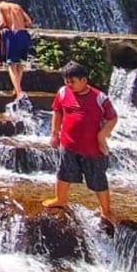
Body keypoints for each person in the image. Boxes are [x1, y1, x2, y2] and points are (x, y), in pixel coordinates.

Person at [42, 61, 118, 224]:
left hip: (92, 149)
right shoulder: (63, 93)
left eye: (73, 82)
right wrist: (54, 133)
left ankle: (106, 210)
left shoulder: (99, 98)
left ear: (84, 80)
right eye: (66, 81)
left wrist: (101, 136)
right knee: (63, 173)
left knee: (98, 179)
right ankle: (60, 199)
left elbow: (112, 118)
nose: (69, 85)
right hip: (68, 144)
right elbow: (57, 112)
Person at [0, 0, 35, 101]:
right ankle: (16, 88)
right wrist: (19, 23)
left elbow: (2, 23)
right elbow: (29, 22)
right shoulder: (17, 6)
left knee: (11, 64)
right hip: (23, 34)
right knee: (19, 64)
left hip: (12, 35)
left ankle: (19, 92)